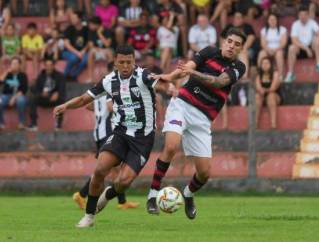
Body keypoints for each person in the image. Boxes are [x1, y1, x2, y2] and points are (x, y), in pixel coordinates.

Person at [53, 45, 170, 228]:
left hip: (142, 139)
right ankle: (89, 216)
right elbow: (85, 99)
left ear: (133, 61)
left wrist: (170, 88)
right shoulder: (108, 81)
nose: (125, 66)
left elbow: (161, 84)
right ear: (115, 62)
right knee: (100, 169)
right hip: (120, 133)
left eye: (128, 62)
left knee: (123, 182)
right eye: (121, 62)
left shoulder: (143, 75)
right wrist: (66, 106)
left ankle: (108, 195)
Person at [146, 28, 246, 220]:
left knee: (204, 173)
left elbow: (218, 82)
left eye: (237, 44)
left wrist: (192, 72)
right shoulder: (209, 52)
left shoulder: (239, 67)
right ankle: (152, 195)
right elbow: (186, 68)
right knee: (171, 146)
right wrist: (169, 76)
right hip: (182, 106)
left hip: (202, 119)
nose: (232, 46)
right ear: (223, 41)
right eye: (230, 41)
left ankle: (188, 194)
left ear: (241, 48)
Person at [73, 94, 139, 210]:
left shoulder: (99, 91)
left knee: (113, 168)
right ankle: (81, 194)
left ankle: (122, 202)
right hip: (108, 132)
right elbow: (110, 107)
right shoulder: (110, 88)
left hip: (98, 132)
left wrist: (99, 110)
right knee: (105, 168)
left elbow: (88, 105)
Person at [284, 5, 319, 83]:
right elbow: (294, 40)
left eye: (304, 15)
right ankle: (290, 73)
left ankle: (318, 64)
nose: (302, 17)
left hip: (312, 48)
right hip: (300, 49)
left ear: (308, 15)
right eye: (301, 15)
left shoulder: (312, 22)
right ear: (298, 15)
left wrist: (315, 39)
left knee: (317, 40)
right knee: (291, 48)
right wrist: (306, 49)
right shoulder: (295, 24)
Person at [28, 58, 66, 131]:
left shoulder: (59, 76)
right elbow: (36, 89)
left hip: (55, 98)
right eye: (47, 65)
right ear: (45, 66)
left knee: (62, 101)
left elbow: (62, 88)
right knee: (32, 98)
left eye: (50, 65)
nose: (48, 67)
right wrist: (41, 94)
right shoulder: (41, 76)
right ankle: (34, 124)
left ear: (53, 66)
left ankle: (58, 125)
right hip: (43, 98)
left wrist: (57, 93)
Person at [0, 57, 28, 130]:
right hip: (6, 95)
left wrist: (14, 98)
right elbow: (1, 82)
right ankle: (1, 124)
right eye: (12, 63)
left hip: (19, 95)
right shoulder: (8, 74)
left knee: (21, 101)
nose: (13, 65)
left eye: (15, 63)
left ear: (19, 65)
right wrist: (6, 72)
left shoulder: (23, 75)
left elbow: (24, 90)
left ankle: (21, 123)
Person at [258, 13, 287, 79]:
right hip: (267, 49)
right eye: (270, 19)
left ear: (277, 20)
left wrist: (275, 50)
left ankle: (280, 75)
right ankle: (261, 74)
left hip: (279, 49)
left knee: (279, 54)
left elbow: (283, 43)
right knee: (261, 53)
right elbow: (263, 44)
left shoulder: (283, 29)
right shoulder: (264, 30)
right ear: (268, 21)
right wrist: (268, 50)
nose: (272, 21)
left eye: (274, 19)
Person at [62, 11, 89, 81]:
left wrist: (83, 51)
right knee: (74, 58)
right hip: (68, 52)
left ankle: (74, 75)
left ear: (79, 19)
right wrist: (77, 53)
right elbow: (66, 44)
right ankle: (64, 76)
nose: (72, 19)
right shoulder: (69, 28)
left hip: (82, 52)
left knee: (85, 59)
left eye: (74, 18)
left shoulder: (86, 29)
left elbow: (89, 43)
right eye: (71, 18)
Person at [255, 57, 281, 129]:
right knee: (257, 97)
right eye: (263, 63)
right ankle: (255, 124)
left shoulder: (275, 73)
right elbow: (258, 87)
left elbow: (273, 88)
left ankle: (273, 124)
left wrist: (264, 90)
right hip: (262, 97)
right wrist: (261, 91)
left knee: (271, 96)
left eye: (267, 63)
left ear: (270, 65)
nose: (265, 65)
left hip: (275, 96)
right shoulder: (259, 75)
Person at [87, 16, 114, 83]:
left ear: (96, 24)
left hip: (106, 51)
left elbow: (107, 44)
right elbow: (91, 46)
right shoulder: (91, 32)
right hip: (97, 51)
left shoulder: (107, 30)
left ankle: (111, 76)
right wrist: (98, 49)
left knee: (109, 52)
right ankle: (90, 77)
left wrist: (99, 34)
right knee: (91, 52)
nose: (89, 26)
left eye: (91, 24)